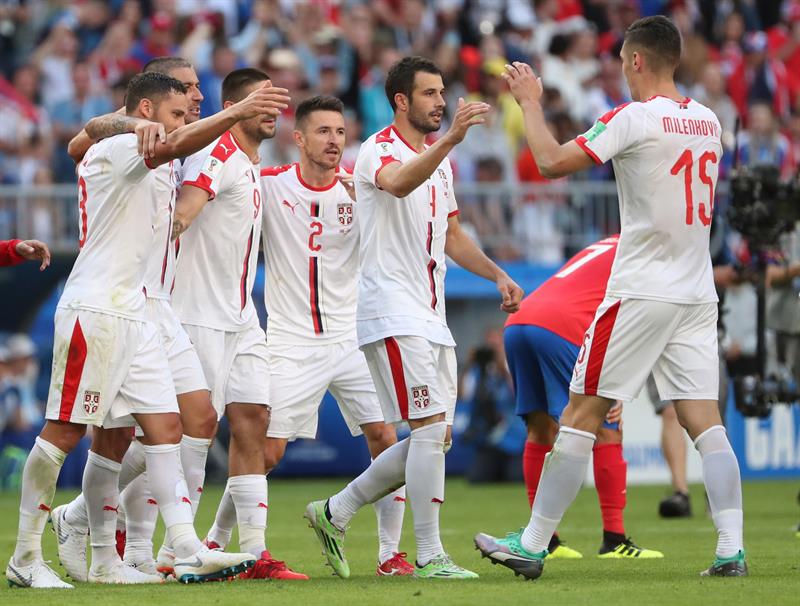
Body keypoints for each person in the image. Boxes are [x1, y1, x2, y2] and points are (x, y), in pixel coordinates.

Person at [475, 16, 747, 579]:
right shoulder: (709, 121)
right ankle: (730, 551)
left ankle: (531, 545)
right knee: (705, 421)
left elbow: (550, 163)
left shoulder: (634, 117)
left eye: (624, 61)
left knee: (579, 413)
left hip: (642, 288)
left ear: (638, 61)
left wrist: (529, 102)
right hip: (695, 290)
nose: (622, 71)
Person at [5, 70, 285, 588]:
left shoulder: (150, 148)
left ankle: (178, 548)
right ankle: (24, 558)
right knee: (65, 433)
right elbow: (125, 140)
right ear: (148, 112)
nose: (189, 115)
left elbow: (115, 138)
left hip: (140, 312)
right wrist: (236, 113)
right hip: (98, 308)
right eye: (178, 109)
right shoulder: (119, 150)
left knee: (168, 428)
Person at [304, 56, 523, 580]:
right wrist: (450, 140)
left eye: (442, 92)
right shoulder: (376, 149)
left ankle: (335, 511)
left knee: (436, 437)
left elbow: (452, 236)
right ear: (401, 101)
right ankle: (429, 555)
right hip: (390, 308)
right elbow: (398, 183)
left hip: (430, 313)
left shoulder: (440, 162)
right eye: (429, 94)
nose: (440, 102)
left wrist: (497, 274)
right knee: (426, 431)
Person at [204, 95, 412, 577]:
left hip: (351, 339)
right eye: (322, 131)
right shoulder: (268, 185)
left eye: (340, 132)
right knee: (267, 452)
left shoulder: (361, 190)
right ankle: (216, 540)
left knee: (386, 436)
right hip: (292, 343)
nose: (334, 141)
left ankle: (388, 555)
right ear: (298, 138)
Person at [51, 57, 222, 580]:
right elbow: (78, 144)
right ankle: (120, 547)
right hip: (120, 298)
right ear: (155, 97)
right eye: (187, 90)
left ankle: (105, 525)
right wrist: (132, 123)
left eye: (198, 91)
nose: (196, 97)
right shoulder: (140, 140)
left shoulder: (174, 137)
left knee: (193, 419)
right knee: (116, 435)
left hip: (158, 301)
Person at [170, 67, 290, 581]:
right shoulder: (215, 153)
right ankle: (90, 518)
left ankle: (255, 553)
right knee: (181, 434)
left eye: (275, 104)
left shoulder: (250, 164)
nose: (273, 113)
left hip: (242, 318)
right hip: (198, 315)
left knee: (254, 424)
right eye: (261, 104)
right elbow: (181, 215)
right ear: (236, 108)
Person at [506, 235, 662, 559]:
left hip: (520, 321)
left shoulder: (608, 242)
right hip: (564, 326)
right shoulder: (647, 248)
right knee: (605, 426)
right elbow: (632, 315)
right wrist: (616, 382)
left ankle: (546, 542)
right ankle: (614, 540)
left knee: (540, 430)